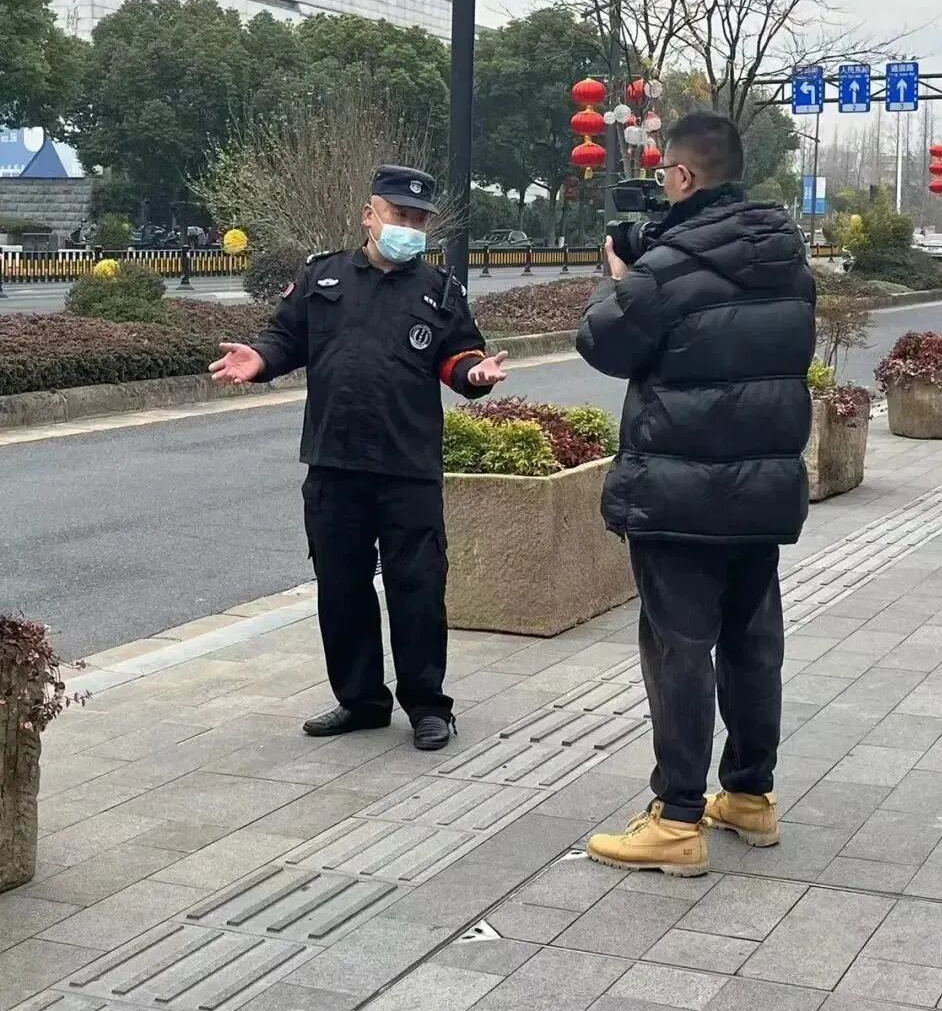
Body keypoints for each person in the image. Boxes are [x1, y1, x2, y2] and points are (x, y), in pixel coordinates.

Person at [576, 113, 815, 875]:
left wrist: (619, 278)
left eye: (663, 174)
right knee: (752, 643)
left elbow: (602, 341)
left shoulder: (667, 268)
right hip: (761, 490)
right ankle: (749, 794)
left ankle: (677, 818)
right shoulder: (787, 260)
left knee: (679, 648)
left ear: (681, 177)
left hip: (679, 494)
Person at [209, 166, 509, 751]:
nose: (409, 227)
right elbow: (286, 338)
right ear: (370, 215)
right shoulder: (322, 277)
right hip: (335, 462)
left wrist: (474, 374)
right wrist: (260, 360)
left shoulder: (440, 290)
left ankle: (427, 705)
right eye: (399, 215)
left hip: (407, 465)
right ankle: (361, 700)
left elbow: (458, 356)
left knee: (417, 589)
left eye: (419, 219)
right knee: (341, 586)